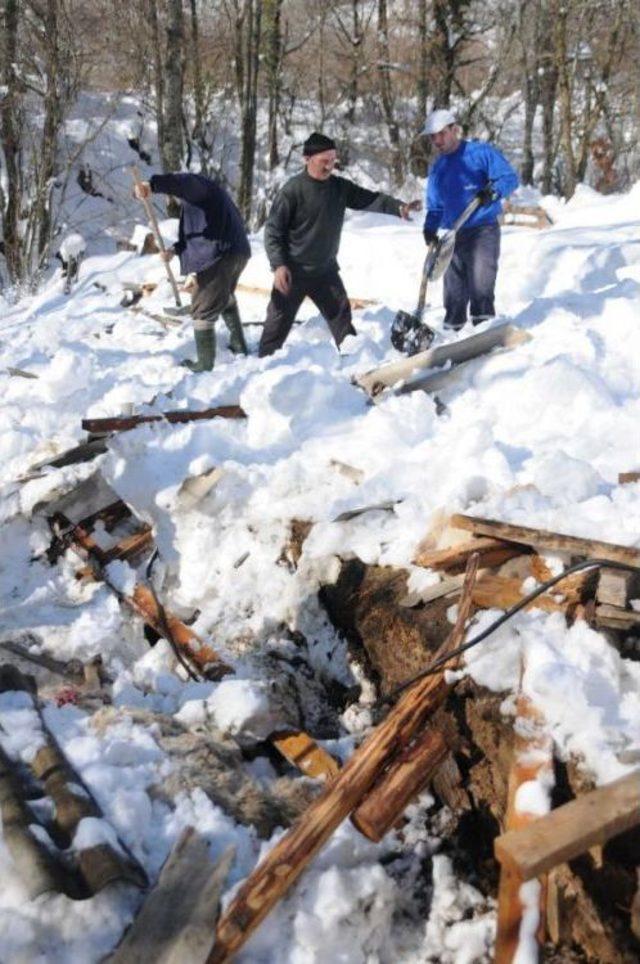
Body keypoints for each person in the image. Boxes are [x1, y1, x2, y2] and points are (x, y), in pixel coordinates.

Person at [259, 132, 421, 357]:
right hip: (292, 273)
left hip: (325, 272)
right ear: (307, 159)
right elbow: (273, 232)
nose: (329, 167)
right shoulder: (292, 191)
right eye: (323, 161)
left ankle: (355, 365)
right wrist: (279, 265)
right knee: (275, 328)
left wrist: (398, 207)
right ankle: (262, 369)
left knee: (342, 321)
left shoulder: (339, 187)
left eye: (333, 161)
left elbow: (370, 199)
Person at [134, 172, 250, 372]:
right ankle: (239, 346)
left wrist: (152, 185)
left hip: (219, 254)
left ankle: (204, 365)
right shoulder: (205, 203)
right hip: (236, 252)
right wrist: (174, 251)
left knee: (202, 308)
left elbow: (184, 182)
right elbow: (195, 237)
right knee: (224, 297)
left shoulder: (200, 188)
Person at [423, 108, 519, 331]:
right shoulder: (438, 169)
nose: (437, 140)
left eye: (441, 134)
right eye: (432, 136)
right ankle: (452, 334)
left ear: (454, 130)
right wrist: (430, 229)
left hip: (483, 229)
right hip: (453, 236)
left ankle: (483, 328)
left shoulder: (480, 153)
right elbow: (435, 206)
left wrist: (493, 192)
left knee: (481, 283)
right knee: (453, 291)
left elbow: (510, 178)